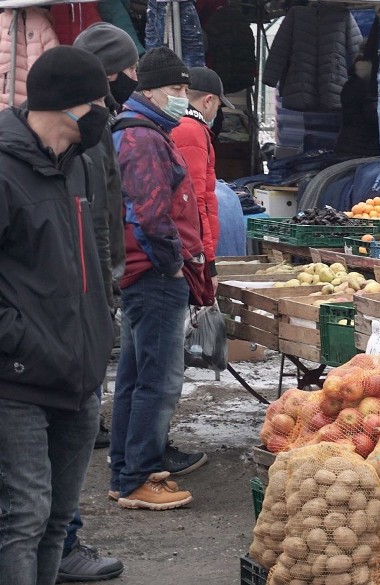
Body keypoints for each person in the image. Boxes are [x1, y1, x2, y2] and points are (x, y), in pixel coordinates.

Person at [0, 46, 114, 585]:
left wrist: (101, 324)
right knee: (21, 519)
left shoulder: (80, 167)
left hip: (79, 376)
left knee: (54, 521)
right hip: (16, 381)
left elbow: (94, 253)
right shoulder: (3, 169)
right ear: (68, 106)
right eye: (97, 103)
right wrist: (20, 339)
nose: (104, 115)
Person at [52, 22, 141, 583]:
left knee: (75, 422)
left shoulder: (97, 125)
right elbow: (89, 209)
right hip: (69, 297)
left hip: (90, 285)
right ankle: (62, 543)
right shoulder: (84, 130)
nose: (134, 79)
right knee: (61, 429)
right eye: (129, 70)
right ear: (109, 73)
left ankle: (61, 539)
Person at [109, 46, 202, 510]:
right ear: (148, 90)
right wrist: (171, 263)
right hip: (152, 275)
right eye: (176, 89)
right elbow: (148, 215)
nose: (182, 98)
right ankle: (137, 478)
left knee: (134, 375)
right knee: (158, 380)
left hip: (140, 273)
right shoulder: (142, 137)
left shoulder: (144, 130)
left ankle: (124, 471)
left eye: (186, 90)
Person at [166, 66, 234, 476]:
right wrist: (203, 256)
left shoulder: (178, 128)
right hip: (183, 255)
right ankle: (152, 449)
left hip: (181, 253)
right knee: (164, 362)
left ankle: (149, 446)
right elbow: (196, 199)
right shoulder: (192, 131)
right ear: (208, 101)